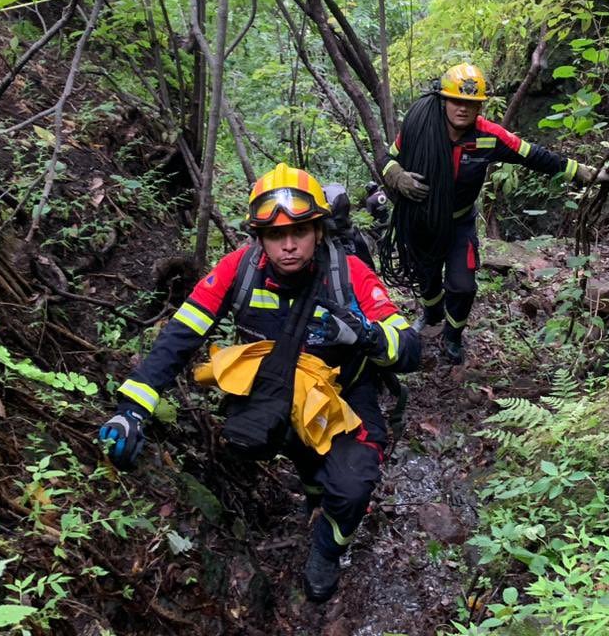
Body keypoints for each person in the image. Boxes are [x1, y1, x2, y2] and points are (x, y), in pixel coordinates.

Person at [98, 164, 419, 602]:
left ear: (319, 231)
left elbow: (410, 347)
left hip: (344, 392)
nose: (288, 245)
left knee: (352, 486)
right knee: (286, 443)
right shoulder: (239, 270)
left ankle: (329, 546)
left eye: (300, 231)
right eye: (275, 235)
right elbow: (180, 335)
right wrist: (132, 408)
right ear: (258, 237)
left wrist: (366, 334)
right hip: (275, 387)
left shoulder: (349, 274)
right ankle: (311, 492)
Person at [382, 63, 603, 365]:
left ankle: (453, 335)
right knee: (427, 278)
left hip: (459, 223)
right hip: (424, 222)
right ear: (443, 100)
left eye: (471, 104)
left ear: (480, 106)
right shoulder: (419, 128)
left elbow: (532, 154)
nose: (463, 109)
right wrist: (396, 175)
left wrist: (580, 172)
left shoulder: (488, 136)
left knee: (463, 285)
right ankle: (431, 313)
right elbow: (387, 158)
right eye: (457, 101)